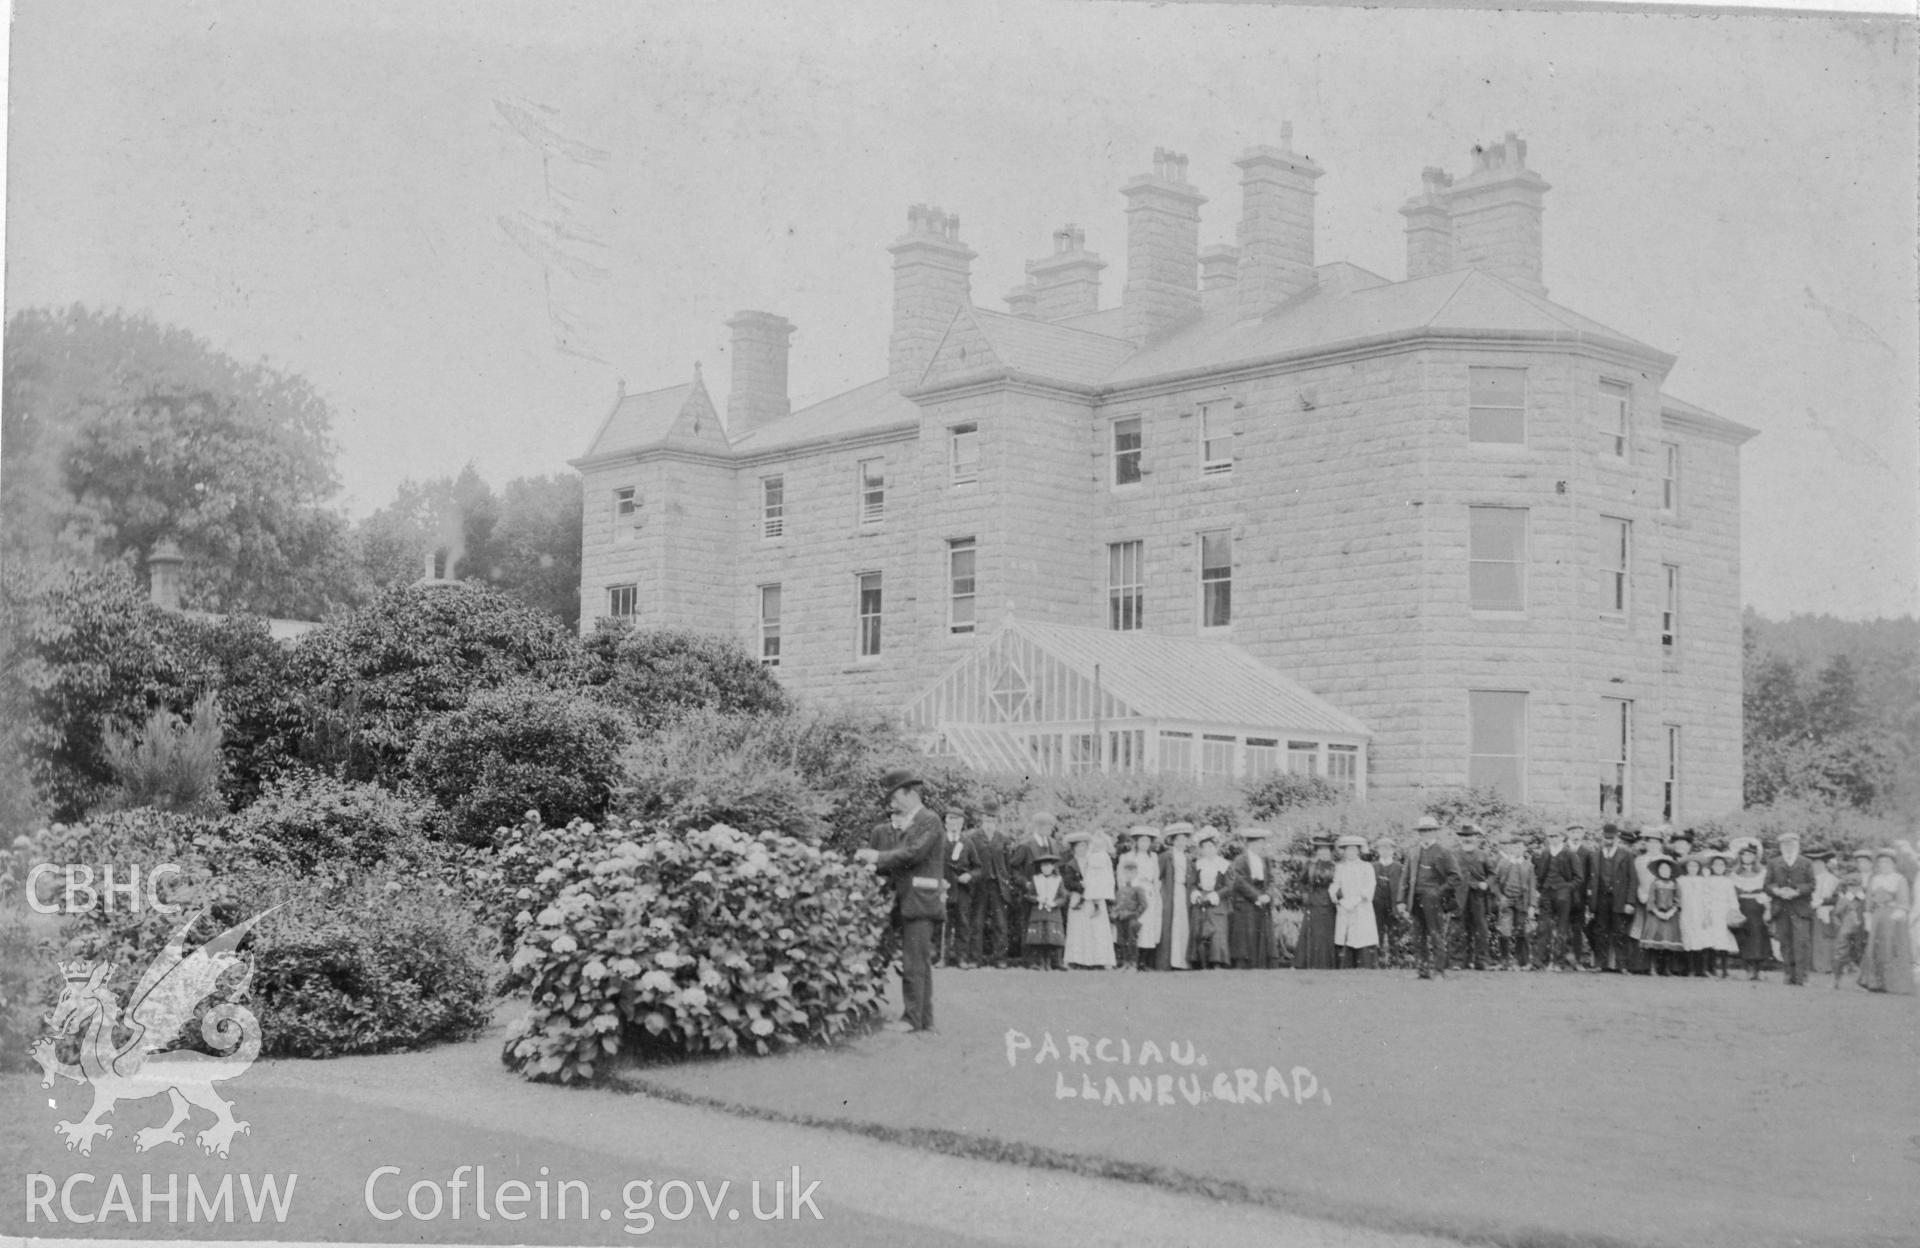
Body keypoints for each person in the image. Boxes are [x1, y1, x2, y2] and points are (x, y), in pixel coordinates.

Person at [855, 769, 946, 1033]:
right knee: (919, 963)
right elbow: (903, 858)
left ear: (910, 793)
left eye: (895, 797)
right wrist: (876, 864)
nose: (892, 804)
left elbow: (912, 855)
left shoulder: (928, 820)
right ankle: (923, 1020)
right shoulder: (915, 820)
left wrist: (876, 858)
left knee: (913, 963)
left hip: (920, 901)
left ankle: (912, 1020)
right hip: (913, 899)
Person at [1396, 814, 1461, 980]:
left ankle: (1439, 970)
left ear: (1435, 832)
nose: (1426, 834)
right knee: (1418, 936)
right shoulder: (1414, 852)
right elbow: (1405, 877)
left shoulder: (1444, 852)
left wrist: (1439, 892)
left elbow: (1455, 877)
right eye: (1423, 831)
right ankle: (1422, 971)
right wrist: (1401, 900)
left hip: (1434, 901)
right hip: (1415, 899)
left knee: (1436, 935)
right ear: (1419, 833)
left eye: (1429, 831)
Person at [1007, 811, 1065, 965]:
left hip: (1051, 894)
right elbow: (1013, 868)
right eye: (1046, 826)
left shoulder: (1053, 843)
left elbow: (1057, 867)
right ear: (1037, 826)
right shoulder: (1025, 845)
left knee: (1052, 926)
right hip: (1032, 894)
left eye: (1051, 826)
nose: (1049, 829)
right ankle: (1031, 960)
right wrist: (1025, 883)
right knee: (1030, 926)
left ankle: (1054, 961)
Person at [960, 797, 1011, 968]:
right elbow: (966, 861)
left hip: (998, 886)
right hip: (979, 885)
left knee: (1000, 923)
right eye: (987, 818)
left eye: (993, 818)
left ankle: (1000, 958)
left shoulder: (1003, 838)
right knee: (977, 922)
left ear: (997, 820)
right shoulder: (972, 837)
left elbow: (1007, 863)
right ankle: (975, 958)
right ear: (982, 819)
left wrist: (1006, 881)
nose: (990, 821)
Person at [1859, 850, 1915, 995]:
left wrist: (1898, 913)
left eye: (1887, 863)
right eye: (1881, 863)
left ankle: (1892, 983)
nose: (1884, 865)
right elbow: (1869, 900)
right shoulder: (1875, 879)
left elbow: (1904, 901)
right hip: (1877, 916)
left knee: (1890, 948)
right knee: (1875, 948)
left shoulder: (1899, 879)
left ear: (1893, 864)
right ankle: (1875, 982)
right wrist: (1868, 916)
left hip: (1892, 917)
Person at [1766, 830, 1818, 986]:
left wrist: (1796, 891)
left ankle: (1802, 977)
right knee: (1785, 942)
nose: (1788, 847)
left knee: (1801, 943)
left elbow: (1812, 884)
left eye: (1791, 844)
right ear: (1781, 846)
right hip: (1781, 908)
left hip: (1800, 908)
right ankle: (1788, 975)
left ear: (1797, 845)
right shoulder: (1774, 863)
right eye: (1785, 844)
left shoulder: (1806, 862)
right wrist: (1777, 891)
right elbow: (1767, 884)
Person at [1533, 824, 1587, 972]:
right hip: (1547, 894)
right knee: (1543, 927)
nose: (1553, 839)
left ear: (1562, 837)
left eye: (1555, 836)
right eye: (1550, 836)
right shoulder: (1545, 853)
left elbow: (1579, 877)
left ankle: (1558, 962)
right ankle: (1538, 961)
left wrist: (1566, 888)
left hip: (1563, 896)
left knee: (1562, 928)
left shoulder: (1569, 854)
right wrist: (1541, 889)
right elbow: (1540, 875)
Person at [1588, 823, 1640, 972]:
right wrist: (1591, 901)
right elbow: (1592, 881)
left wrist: (1630, 901)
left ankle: (1622, 965)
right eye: (1606, 838)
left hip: (1620, 899)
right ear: (1602, 837)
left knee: (1620, 932)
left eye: (1611, 838)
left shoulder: (1627, 854)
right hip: (1601, 899)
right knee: (1600, 931)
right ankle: (1600, 963)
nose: (1609, 841)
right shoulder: (1595, 855)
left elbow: (1633, 880)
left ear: (1616, 838)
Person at [1064, 828, 1118, 969]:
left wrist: (1094, 886)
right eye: (1079, 846)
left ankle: (1099, 959)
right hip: (1079, 897)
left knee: (1098, 929)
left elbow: (1104, 876)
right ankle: (1077, 959)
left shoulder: (1095, 858)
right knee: (1078, 929)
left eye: (1084, 846)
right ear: (1074, 849)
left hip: (1095, 897)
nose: (1082, 849)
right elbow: (1068, 882)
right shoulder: (1071, 864)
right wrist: (1081, 886)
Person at [1228, 827, 1278, 969]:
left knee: (1262, 933)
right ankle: (1246, 965)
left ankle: (1262, 964)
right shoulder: (1240, 860)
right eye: (1259, 843)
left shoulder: (1266, 860)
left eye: (1262, 843)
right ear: (1251, 844)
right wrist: (1256, 896)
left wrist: (1268, 894)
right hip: (1246, 902)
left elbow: (1271, 879)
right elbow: (1239, 881)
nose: (1262, 846)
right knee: (1247, 935)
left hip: (1263, 901)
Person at [1331, 835, 1380, 968]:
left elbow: (1370, 886)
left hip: (1361, 907)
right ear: (1344, 851)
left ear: (1358, 851)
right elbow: (1335, 884)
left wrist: (1356, 901)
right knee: (1346, 937)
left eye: (1353, 849)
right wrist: (1336, 897)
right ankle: (1346, 965)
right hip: (1345, 907)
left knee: (1362, 936)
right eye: (1347, 850)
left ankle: (1365, 965)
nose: (1350, 853)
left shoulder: (1366, 867)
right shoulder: (1340, 867)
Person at [1188, 828, 1234, 969]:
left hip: (1218, 902)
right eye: (1204, 847)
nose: (1208, 850)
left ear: (1216, 848)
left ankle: (1217, 962)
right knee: (1199, 930)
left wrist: (1215, 896)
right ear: (1201, 849)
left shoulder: (1224, 865)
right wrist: (1196, 893)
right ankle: (1200, 962)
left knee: (1217, 932)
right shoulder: (1198, 864)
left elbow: (1229, 886)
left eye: (1211, 846)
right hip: (1201, 900)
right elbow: (1192, 883)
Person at [1118, 826, 1163, 969]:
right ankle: (1130, 960)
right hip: (1132, 895)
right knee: (1132, 926)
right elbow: (1121, 878)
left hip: (1148, 893)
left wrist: (1156, 893)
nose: (1145, 844)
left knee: (1148, 927)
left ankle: (1143, 961)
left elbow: (1156, 877)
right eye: (1142, 841)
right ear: (1136, 842)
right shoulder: (1127, 857)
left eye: (1147, 841)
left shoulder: (1153, 857)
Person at [1154, 823, 1197, 970]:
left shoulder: (1188, 859)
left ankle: (1181, 961)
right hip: (1169, 893)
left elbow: (1192, 879)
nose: (1181, 843)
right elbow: (1157, 877)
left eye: (1184, 839)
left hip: (1183, 893)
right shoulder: (1166, 856)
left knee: (1183, 925)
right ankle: (1167, 962)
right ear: (1172, 841)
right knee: (1169, 925)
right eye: (1178, 839)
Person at [1729, 838, 1773, 980]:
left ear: (1755, 857)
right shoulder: (1734, 874)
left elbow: (1767, 891)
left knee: (1759, 937)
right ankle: (1748, 968)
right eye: (1744, 854)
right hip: (1741, 907)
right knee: (1744, 937)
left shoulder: (1762, 873)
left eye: (1750, 855)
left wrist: (1767, 908)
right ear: (1740, 856)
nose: (1747, 857)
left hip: (1757, 906)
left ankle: (1758, 969)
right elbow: (1731, 893)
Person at [1455, 823, 1496, 971]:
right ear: (1460, 838)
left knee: (1481, 929)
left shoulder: (1483, 855)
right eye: (1465, 836)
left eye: (1470, 836)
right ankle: (1458, 961)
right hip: (1459, 896)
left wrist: (1486, 883)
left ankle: (1482, 961)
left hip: (1478, 896)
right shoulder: (1454, 854)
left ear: (1476, 837)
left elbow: (1492, 874)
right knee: (1459, 928)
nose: (1468, 839)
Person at [1295, 836, 1339, 970]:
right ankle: (1307, 963)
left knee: (1326, 935)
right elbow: (1301, 883)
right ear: (1317, 851)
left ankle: (1326, 964)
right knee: (1311, 933)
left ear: (1330, 851)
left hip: (1329, 903)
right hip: (1313, 903)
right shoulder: (1310, 865)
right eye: (1320, 849)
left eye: (1326, 849)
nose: (1323, 852)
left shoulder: (1336, 866)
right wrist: (1304, 895)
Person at [1493, 836, 1537, 970]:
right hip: (1506, 901)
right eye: (1514, 847)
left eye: (1519, 847)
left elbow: (1532, 887)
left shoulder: (1528, 866)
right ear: (1510, 848)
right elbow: (1494, 882)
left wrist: (1532, 905)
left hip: (1522, 902)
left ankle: (1520, 961)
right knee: (1504, 930)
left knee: (1521, 931)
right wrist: (1500, 897)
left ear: (1524, 849)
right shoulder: (1503, 863)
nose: (1516, 850)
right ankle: (1504, 961)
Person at [1698, 850, 1741, 978]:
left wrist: (1734, 911)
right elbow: (1704, 897)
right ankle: (1707, 969)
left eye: (1721, 865)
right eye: (1716, 865)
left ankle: (1724, 970)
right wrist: (1706, 913)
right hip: (1710, 912)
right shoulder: (1707, 880)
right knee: (1708, 939)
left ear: (1724, 867)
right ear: (1711, 866)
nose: (1718, 867)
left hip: (1724, 912)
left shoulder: (1728, 881)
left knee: (1723, 941)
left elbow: (1732, 898)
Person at [1639, 856, 1685, 975]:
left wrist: (1672, 911)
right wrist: (1657, 912)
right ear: (1658, 871)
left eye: (1667, 869)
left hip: (1670, 915)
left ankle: (1666, 968)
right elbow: (1650, 900)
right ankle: (1653, 967)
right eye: (1661, 869)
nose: (1664, 871)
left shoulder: (1675, 884)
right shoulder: (1654, 883)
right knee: (1654, 942)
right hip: (1656, 914)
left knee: (1668, 943)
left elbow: (1678, 899)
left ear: (1671, 871)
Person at [1023, 850, 1068, 971]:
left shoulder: (1058, 879)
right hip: (1039, 912)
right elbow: (1029, 895)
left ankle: (1052, 962)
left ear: (1053, 867)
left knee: (1051, 938)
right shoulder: (1036, 879)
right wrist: (1038, 899)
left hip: (1053, 912)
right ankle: (1040, 962)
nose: (1046, 869)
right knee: (1039, 938)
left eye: (1048, 866)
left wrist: (1054, 903)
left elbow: (1063, 896)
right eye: (1043, 866)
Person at [940, 808, 971, 967]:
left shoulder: (967, 842)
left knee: (962, 922)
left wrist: (970, 876)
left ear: (962, 824)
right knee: (942, 922)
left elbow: (978, 867)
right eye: (950, 820)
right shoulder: (938, 841)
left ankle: (962, 958)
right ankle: (941, 957)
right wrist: (939, 881)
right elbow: (930, 864)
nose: (954, 824)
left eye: (957, 821)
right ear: (945, 823)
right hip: (943, 889)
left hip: (962, 890)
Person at [1676, 854, 1714, 977]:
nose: (1692, 868)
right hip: (1686, 912)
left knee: (1701, 939)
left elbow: (1707, 898)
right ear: (1686, 867)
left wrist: (1707, 914)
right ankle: (1690, 969)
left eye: (1695, 866)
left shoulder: (1703, 881)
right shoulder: (1681, 880)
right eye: (1690, 866)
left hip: (1700, 913)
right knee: (1688, 939)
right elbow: (1678, 897)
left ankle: (1702, 969)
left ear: (1699, 868)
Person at [1371, 837, 1404, 969]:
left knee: (1394, 934)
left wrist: (1401, 904)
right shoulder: (1372, 867)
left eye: (1388, 848)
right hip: (1376, 905)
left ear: (1393, 850)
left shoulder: (1399, 867)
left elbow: (1403, 887)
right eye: (1381, 848)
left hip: (1393, 905)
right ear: (1378, 850)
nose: (1385, 851)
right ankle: (1378, 962)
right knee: (1376, 934)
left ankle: (1394, 962)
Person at [1808, 849, 1841, 976]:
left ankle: (1826, 965)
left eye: (1819, 863)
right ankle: (1812, 965)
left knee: (1826, 939)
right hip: (1810, 911)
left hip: (1826, 912)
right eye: (1813, 863)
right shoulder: (1809, 879)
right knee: (1812, 938)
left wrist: (1822, 902)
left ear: (1825, 864)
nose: (1816, 866)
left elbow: (1837, 898)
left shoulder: (1833, 879)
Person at [1110, 859, 1147, 970]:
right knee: (1121, 940)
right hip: (1120, 918)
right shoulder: (1121, 889)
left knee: (1132, 940)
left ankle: (1133, 963)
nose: (1129, 875)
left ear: (1136, 873)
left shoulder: (1138, 888)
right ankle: (1125, 962)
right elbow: (1117, 903)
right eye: (1126, 872)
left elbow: (1143, 905)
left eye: (1131, 872)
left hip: (1132, 919)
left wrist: (1134, 915)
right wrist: (1114, 912)